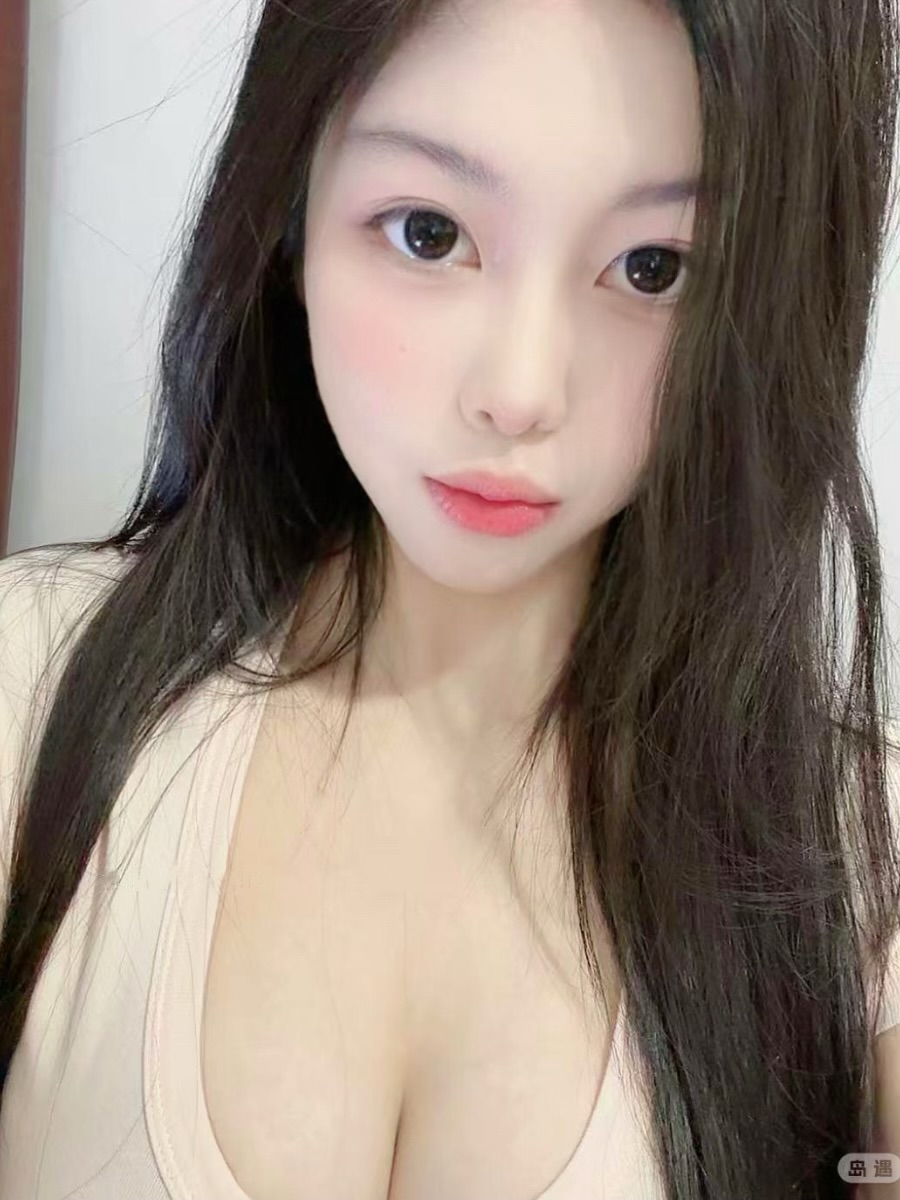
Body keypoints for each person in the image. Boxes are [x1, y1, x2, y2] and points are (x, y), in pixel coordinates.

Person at [2, 0, 900, 1195]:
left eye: (654, 267)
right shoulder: (29, 684)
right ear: (292, 212)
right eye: (430, 233)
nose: (520, 391)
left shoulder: (856, 851)